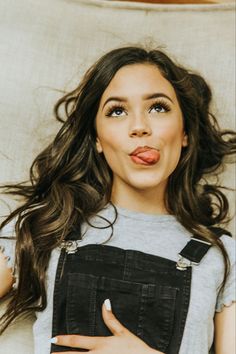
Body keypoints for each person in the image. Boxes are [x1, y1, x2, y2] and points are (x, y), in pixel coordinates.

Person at [0, 46, 235, 354]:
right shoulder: (44, 226)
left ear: (185, 132)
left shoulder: (222, 255)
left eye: (158, 107)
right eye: (117, 111)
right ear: (97, 138)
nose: (139, 127)